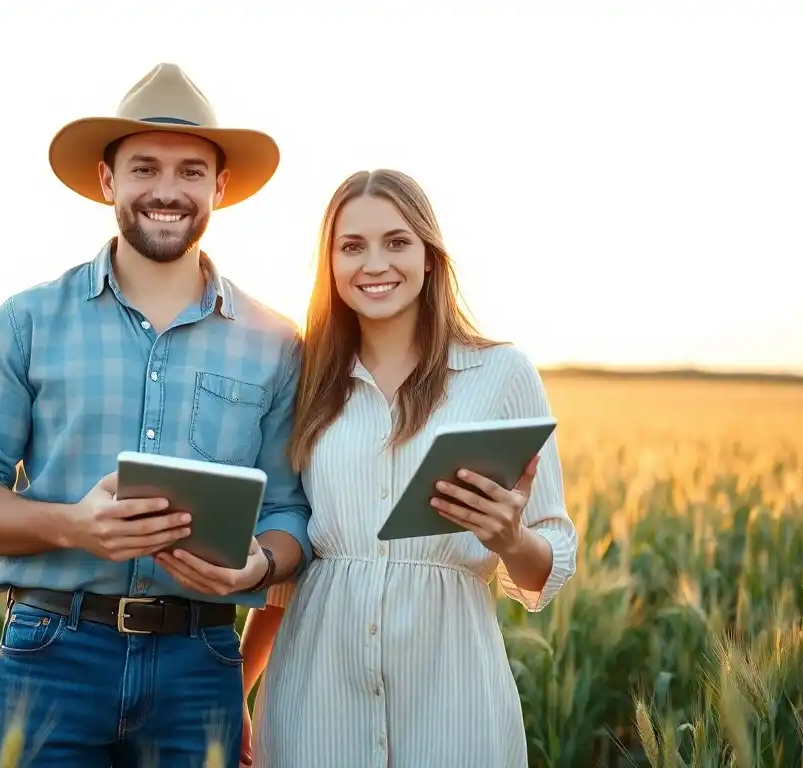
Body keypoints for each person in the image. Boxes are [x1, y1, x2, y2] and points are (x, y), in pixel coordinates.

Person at [0, 62, 313, 768]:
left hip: (201, 666)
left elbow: (293, 517)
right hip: (52, 655)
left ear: (220, 188)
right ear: (108, 181)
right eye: (144, 168)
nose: (167, 192)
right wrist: (70, 524)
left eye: (191, 172)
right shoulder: (27, 321)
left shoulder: (276, 341)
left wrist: (258, 561)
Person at [238, 169, 578, 767]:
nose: (375, 264)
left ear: (428, 256)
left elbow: (548, 561)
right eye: (352, 246)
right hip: (315, 694)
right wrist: (235, 687)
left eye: (396, 242)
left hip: (452, 694)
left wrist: (510, 538)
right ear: (330, 264)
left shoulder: (501, 375)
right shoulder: (308, 377)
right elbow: (291, 553)